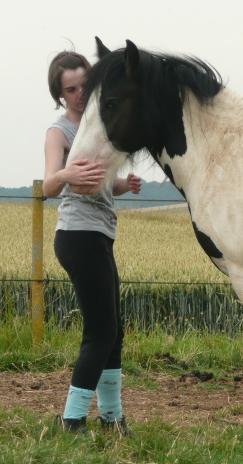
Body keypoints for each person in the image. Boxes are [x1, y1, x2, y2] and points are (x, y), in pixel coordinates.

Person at [43, 50, 142, 434]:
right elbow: (50, 185)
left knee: (114, 328)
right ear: (60, 94)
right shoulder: (60, 132)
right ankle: (72, 419)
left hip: (99, 233)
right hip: (77, 235)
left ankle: (112, 418)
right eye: (71, 89)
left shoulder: (98, 126)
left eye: (85, 85)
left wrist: (124, 185)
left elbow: (102, 184)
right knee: (101, 331)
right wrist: (67, 171)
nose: (80, 94)